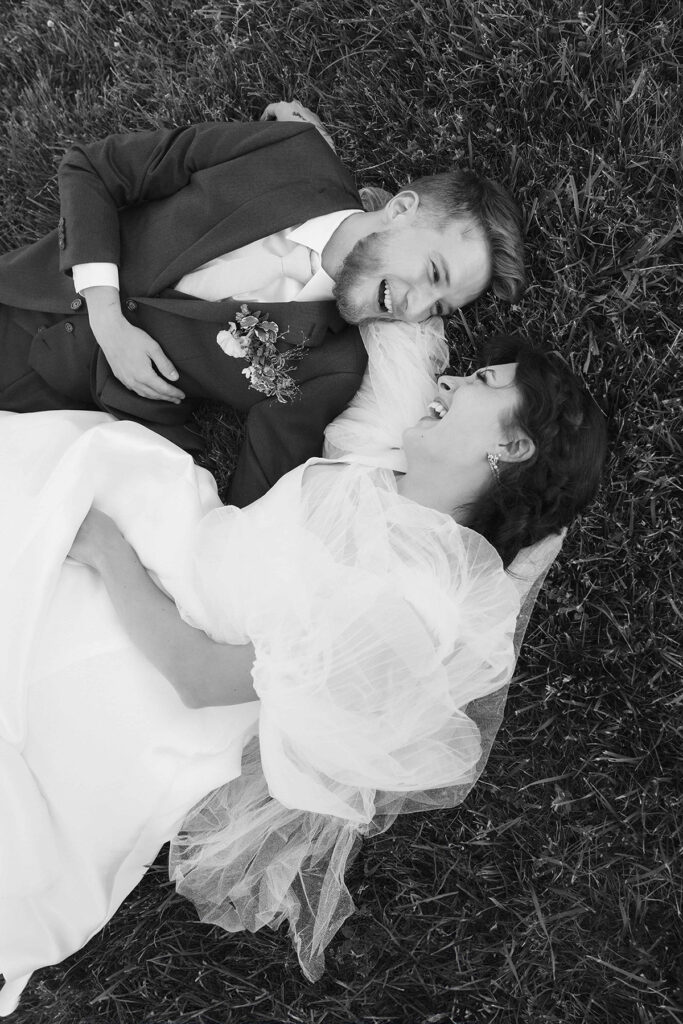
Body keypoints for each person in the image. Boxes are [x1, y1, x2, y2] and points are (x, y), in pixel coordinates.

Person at [0, 318, 605, 1015]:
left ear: (510, 445)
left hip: (159, 671)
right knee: (64, 464)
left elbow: (200, 681)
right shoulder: (385, 462)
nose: (450, 382)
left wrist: (109, 555)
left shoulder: (400, 611)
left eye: (481, 383)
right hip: (176, 540)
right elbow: (402, 335)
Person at [0, 105, 525, 506]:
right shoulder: (290, 153)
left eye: (440, 309)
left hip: (53, 423)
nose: (417, 307)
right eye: (434, 274)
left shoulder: (334, 367)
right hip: (21, 289)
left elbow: (254, 501)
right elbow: (94, 169)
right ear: (401, 209)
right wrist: (106, 317)